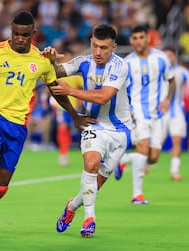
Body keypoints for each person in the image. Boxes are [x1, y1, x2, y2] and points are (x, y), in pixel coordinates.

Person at [0, 10, 94, 240]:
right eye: (16, 34)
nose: (19, 39)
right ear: (11, 31)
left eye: (25, 35)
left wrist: (75, 115)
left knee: (0, 187)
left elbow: (55, 89)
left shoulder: (42, 60)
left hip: (17, 127)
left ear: (33, 33)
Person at [43, 24, 132, 237]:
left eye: (103, 48)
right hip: (94, 124)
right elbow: (54, 72)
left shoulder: (121, 66)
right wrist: (49, 59)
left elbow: (103, 97)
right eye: (94, 46)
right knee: (90, 164)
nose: (98, 52)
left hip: (120, 130)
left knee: (95, 185)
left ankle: (72, 207)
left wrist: (70, 90)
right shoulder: (84, 62)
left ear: (114, 47)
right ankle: (89, 220)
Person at [117, 25, 175, 204]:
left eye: (141, 37)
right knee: (142, 150)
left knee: (153, 157)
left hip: (157, 114)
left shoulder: (161, 58)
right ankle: (137, 195)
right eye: (134, 38)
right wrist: (127, 108)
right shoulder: (127, 63)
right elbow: (120, 89)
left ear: (147, 38)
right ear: (131, 41)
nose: (138, 41)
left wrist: (167, 100)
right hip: (137, 113)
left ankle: (123, 159)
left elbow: (172, 81)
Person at [162, 47, 189, 180]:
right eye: (165, 56)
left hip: (177, 111)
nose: (168, 58)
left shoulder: (181, 71)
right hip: (160, 112)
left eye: (170, 55)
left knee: (177, 140)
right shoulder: (156, 71)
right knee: (156, 145)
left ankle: (174, 171)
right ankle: (144, 164)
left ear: (174, 57)